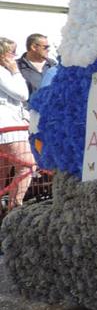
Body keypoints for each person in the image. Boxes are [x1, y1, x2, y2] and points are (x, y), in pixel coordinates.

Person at [0, 37, 34, 212]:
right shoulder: (3, 72)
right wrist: (16, 71)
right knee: (27, 166)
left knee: (2, 173)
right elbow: (22, 94)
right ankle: (14, 208)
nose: (15, 55)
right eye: (12, 51)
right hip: (8, 129)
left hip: (7, 128)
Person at [16, 33, 55, 99]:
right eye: (45, 47)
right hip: (27, 108)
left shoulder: (53, 65)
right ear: (33, 47)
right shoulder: (17, 67)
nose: (48, 50)